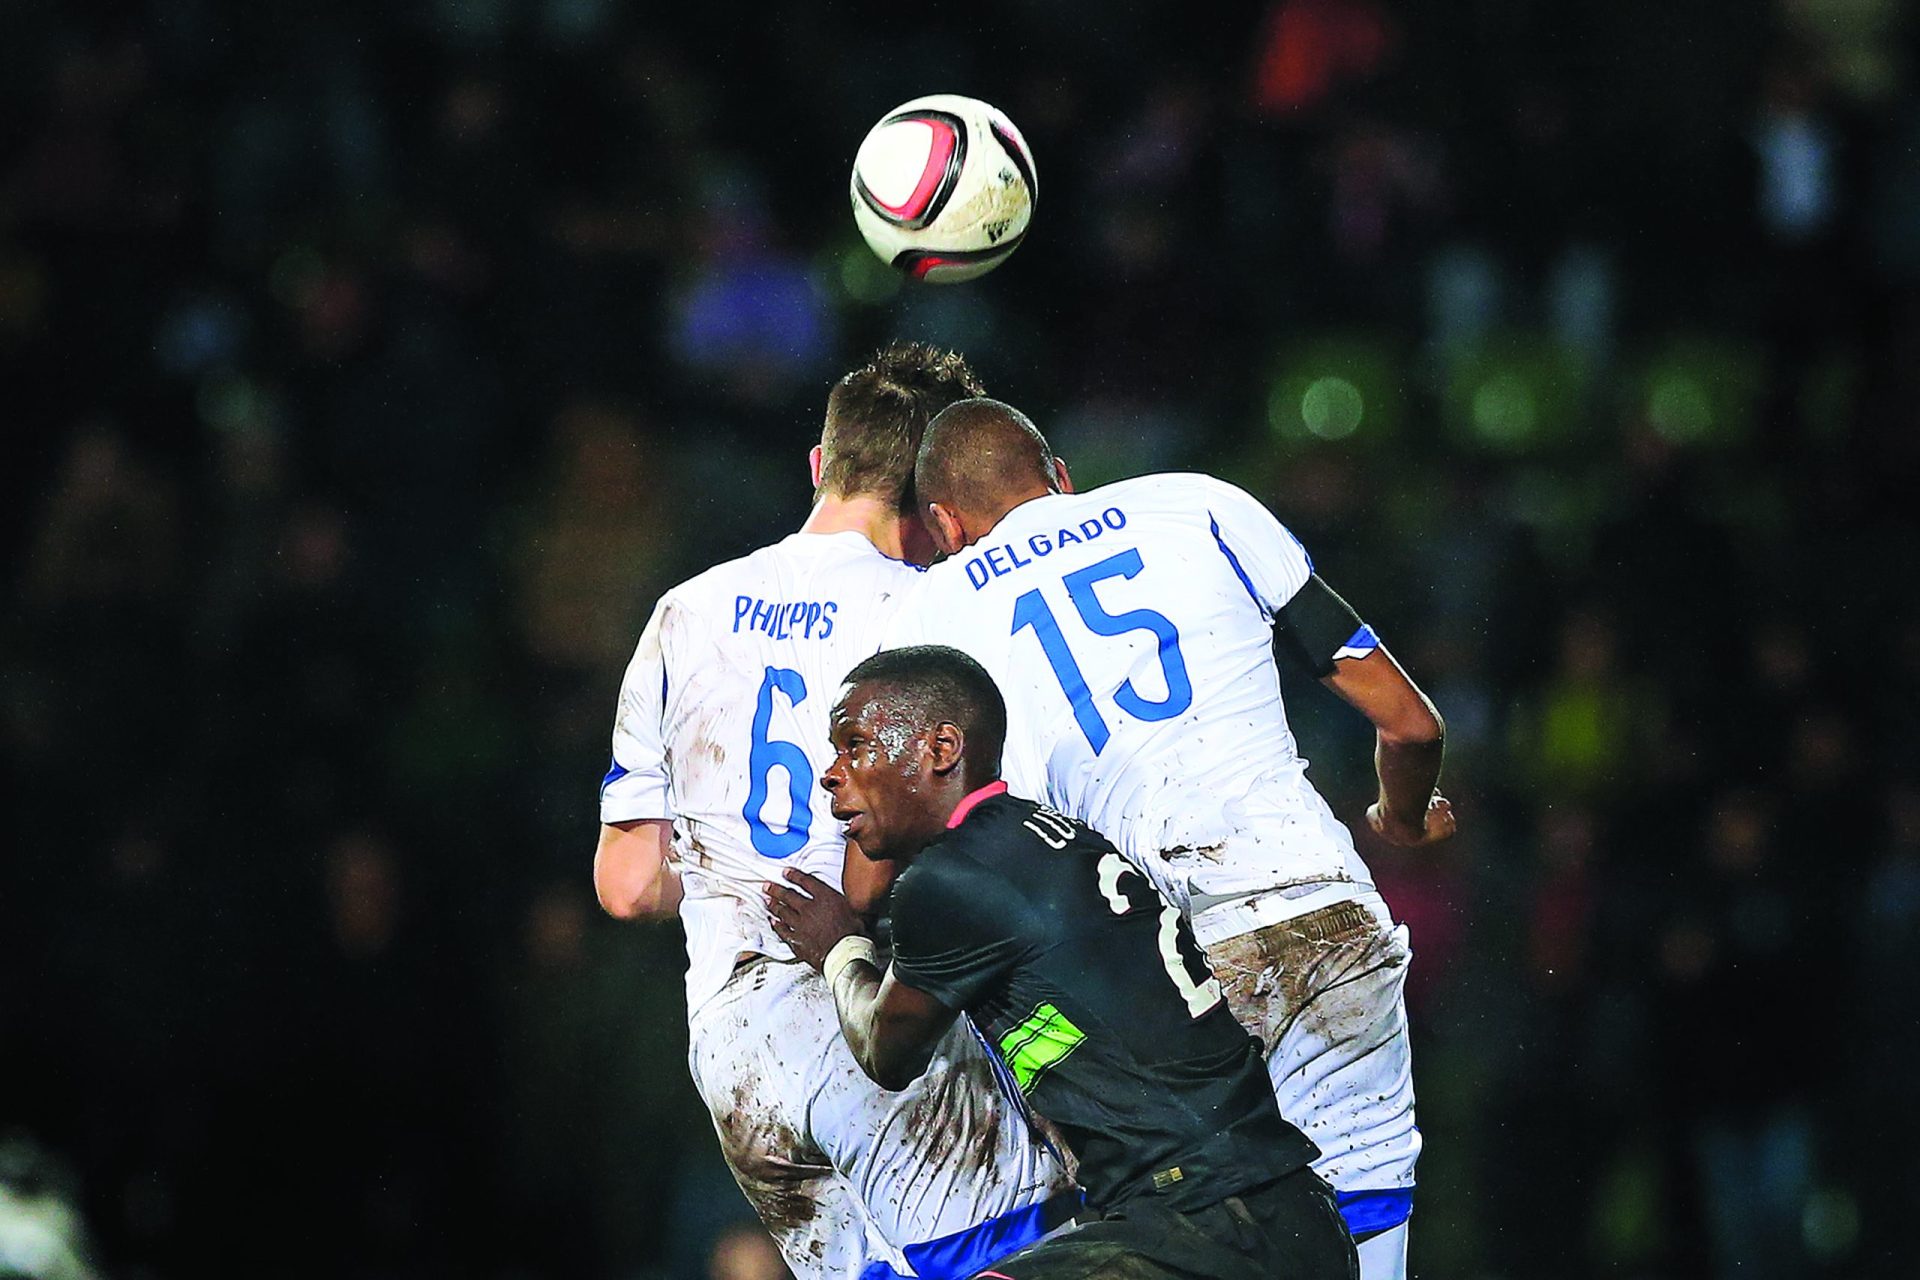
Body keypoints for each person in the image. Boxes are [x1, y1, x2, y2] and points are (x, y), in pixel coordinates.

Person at [882, 398, 1453, 1279]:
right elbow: (1411, 727)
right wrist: (1401, 817)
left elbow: (984, 842)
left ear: (945, 524)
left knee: (1180, 1227)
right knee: (1358, 1205)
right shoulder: (1202, 504)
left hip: (1155, 967)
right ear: (1061, 477)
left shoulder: (935, 615)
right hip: (1314, 905)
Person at [594, 352, 1075, 1280]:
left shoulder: (680, 613)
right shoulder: (938, 610)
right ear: (936, 497)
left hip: (737, 1058)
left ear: (820, 466)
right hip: (886, 1019)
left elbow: (627, 886)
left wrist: (732, 876)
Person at [765, 645, 1358, 1280]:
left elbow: (887, 1052)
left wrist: (839, 950)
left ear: (941, 749)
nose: (830, 772)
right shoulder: (1046, 838)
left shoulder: (951, 880)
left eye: (855, 745)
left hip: (1206, 1224)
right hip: (1278, 1213)